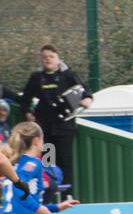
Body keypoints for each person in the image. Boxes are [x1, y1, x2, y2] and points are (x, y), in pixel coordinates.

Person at [17, 45, 94, 195]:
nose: (48, 60)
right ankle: (49, 194)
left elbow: (86, 91)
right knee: (47, 161)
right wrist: (27, 113)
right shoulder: (37, 77)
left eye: (51, 57)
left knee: (65, 161)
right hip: (44, 128)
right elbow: (25, 100)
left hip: (64, 127)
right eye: (44, 57)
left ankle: (67, 195)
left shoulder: (68, 75)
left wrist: (87, 99)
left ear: (58, 59)